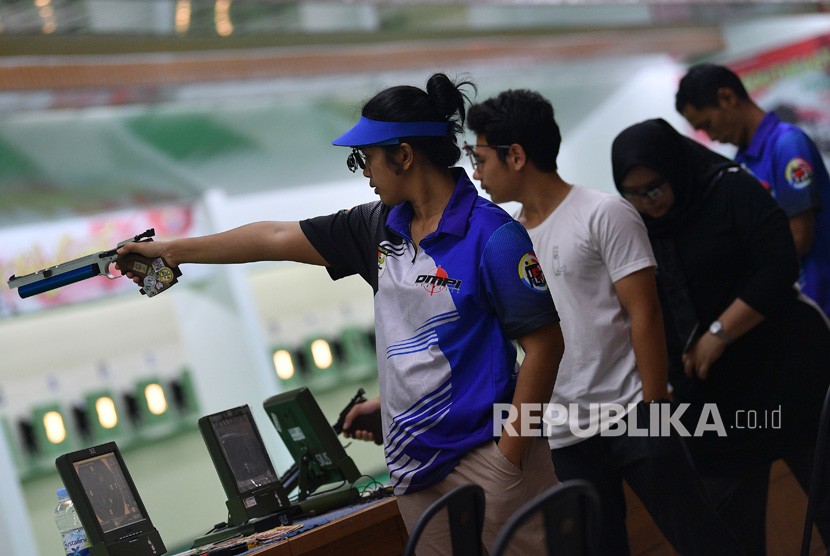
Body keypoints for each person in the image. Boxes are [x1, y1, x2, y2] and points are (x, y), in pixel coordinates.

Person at [117, 73, 565, 556]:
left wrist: (509, 459)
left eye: (364, 158)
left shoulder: (493, 236)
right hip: (415, 468)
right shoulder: (378, 228)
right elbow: (275, 237)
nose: (365, 171)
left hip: (488, 451)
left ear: (404, 154)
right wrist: (173, 251)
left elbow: (545, 347)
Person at [465, 89, 742, 555]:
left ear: (515, 156)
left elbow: (645, 314)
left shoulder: (603, 212)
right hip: (565, 433)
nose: (476, 172)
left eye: (480, 157)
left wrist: (655, 410)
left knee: (701, 541)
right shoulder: (504, 240)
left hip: (634, 413)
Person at [611, 117, 830, 555]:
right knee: (731, 536)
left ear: (675, 170)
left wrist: (719, 333)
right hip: (718, 407)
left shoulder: (727, 190)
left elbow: (779, 264)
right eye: (632, 194)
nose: (646, 202)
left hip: (788, 377)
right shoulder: (636, 227)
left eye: (653, 188)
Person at [676, 62, 830, 317]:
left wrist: (749, 282)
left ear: (727, 98)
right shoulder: (742, 163)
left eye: (707, 124)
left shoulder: (787, 145)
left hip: (821, 298)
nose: (711, 136)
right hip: (792, 302)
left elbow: (799, 238)